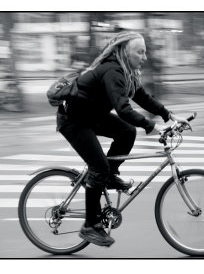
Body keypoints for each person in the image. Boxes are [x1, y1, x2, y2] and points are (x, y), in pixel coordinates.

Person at [56, 31, 189, 247]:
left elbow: (142, 97)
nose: (144, 57)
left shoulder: (127, 72)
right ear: (125, 53)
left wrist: (169, 115)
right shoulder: (112, 71)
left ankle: (109, 176)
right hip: (74, 120)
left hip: (92, 116)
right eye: (140, 52)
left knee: (127, 132)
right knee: (98, 167)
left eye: (145, 52)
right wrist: (151, 126)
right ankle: (91, 225)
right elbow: (123, 109)